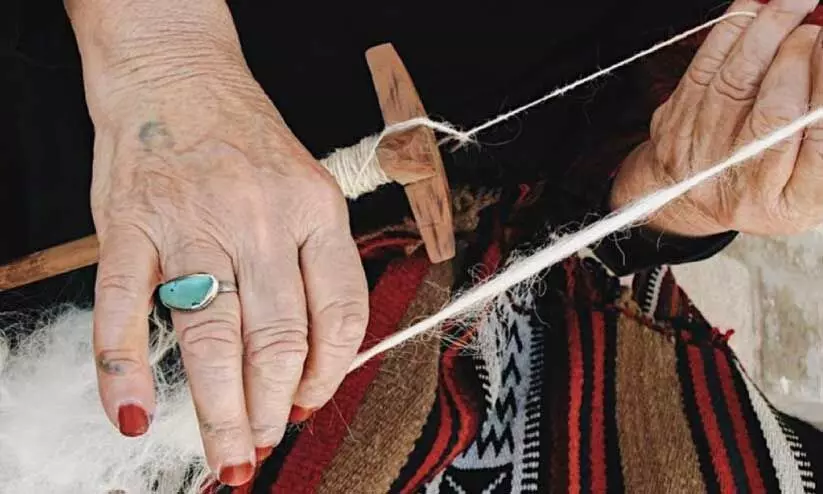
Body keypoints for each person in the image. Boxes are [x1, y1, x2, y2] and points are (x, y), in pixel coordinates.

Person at [1, 0, 822, 491]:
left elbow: (589, 189)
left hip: (426, 211)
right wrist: (166, 57)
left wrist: (677, 194)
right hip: (119, 78)